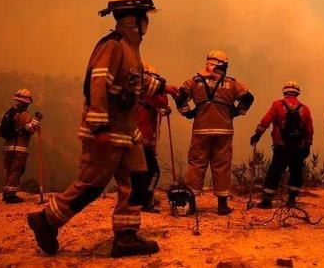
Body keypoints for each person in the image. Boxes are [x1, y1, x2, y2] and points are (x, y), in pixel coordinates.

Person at [28, 0, 173, 258]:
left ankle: (126, 236)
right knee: (91, 186)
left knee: (139, 179)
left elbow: (134, 82)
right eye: (146, 16)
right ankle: (46, 221)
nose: (147, 23)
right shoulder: (112, 46)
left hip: (128, 133)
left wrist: (168, 88)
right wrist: (100, 127)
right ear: (134, 17)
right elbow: (97, 84)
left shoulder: (131, 49)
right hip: (108, 132)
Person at [176, 50, 254, 215]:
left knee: (196, 165)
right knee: (222, 166)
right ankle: (222, 205)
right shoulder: (232, 83)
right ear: (223, 65)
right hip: (224, 131)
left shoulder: (195, 82)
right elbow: (248, 98)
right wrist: (237, 112)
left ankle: (190, 204)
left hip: (200, 130)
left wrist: (187, 112)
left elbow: (179, 94)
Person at [251, 80, 313, 208]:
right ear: (297, 92)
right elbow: (309, 129)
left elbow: (266, 120)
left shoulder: (277, 105)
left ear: (284, 91)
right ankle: (291, 200)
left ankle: (267, 200)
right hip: (299, 147)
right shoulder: (304, 109)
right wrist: (308, 145)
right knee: (296, 172)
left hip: (281, 146)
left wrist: (257, 134)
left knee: (275, 171)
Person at [128, 62, 171, 213]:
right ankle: (145, 200)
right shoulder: (147, 93)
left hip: (135, 139)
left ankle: (140, 198)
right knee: (153, 172)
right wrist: (162, 89)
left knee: (138, 172)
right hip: (143, 140)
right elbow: (163, 101)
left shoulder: (135, 94)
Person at [0, 88, 41, 203]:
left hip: (8, 148)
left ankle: (6, 192)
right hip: (19, 148)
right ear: (27, 102)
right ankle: (10, 195)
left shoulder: (11, 113)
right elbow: (31, 129)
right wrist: (37, 120)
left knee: (9, 170)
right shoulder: (24, 114)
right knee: (17, 170)